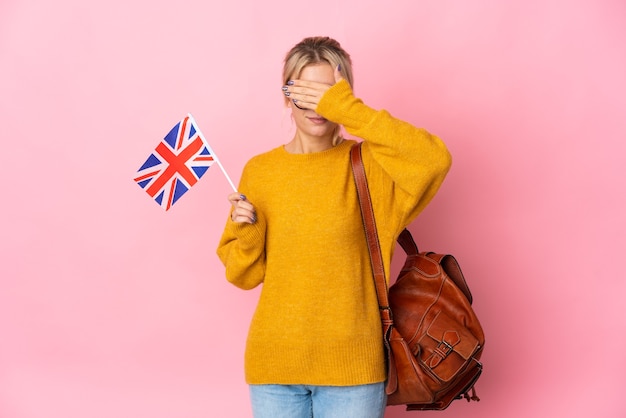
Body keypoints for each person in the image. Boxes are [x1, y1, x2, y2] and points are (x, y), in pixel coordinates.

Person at [216, 36, 451, 418]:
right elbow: (243, 275)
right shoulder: (259, 172)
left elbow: (434, 159)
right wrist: (247, 230)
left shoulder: (370, 167)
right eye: (305, 92)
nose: (316, 106)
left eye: (326, 93)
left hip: (353, 372)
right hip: (274, 367)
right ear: (286, 96)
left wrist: (346, 108)